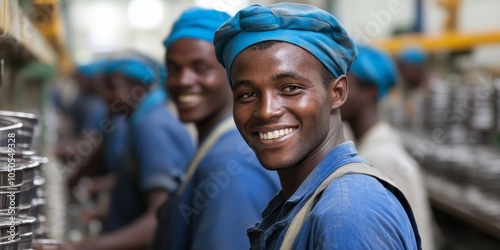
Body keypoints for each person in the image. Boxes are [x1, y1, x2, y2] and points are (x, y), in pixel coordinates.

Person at [214, 2, 421, 249]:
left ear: (337, 92)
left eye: (290, 88)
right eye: (247, 94)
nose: (266, 110)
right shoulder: (305, 202)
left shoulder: (348, 213)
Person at [151, 7, 280, 250]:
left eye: (200, 68)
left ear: (233, 74)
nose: (183, 80)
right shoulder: (213, 147)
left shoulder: (231, 166)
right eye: (173, 69)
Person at [62, 57, 195, 250]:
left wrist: (84, 246)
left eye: (112, 87)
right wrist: (104, 212)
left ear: (138, 89)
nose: (105, 96)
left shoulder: (152, 128)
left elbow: (160, 219)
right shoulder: (141, 120)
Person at [341, 45, 435, 250]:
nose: (335, 93)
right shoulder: (374, 150)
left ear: (370, 91)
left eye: (345, 84)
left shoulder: (380, 160)